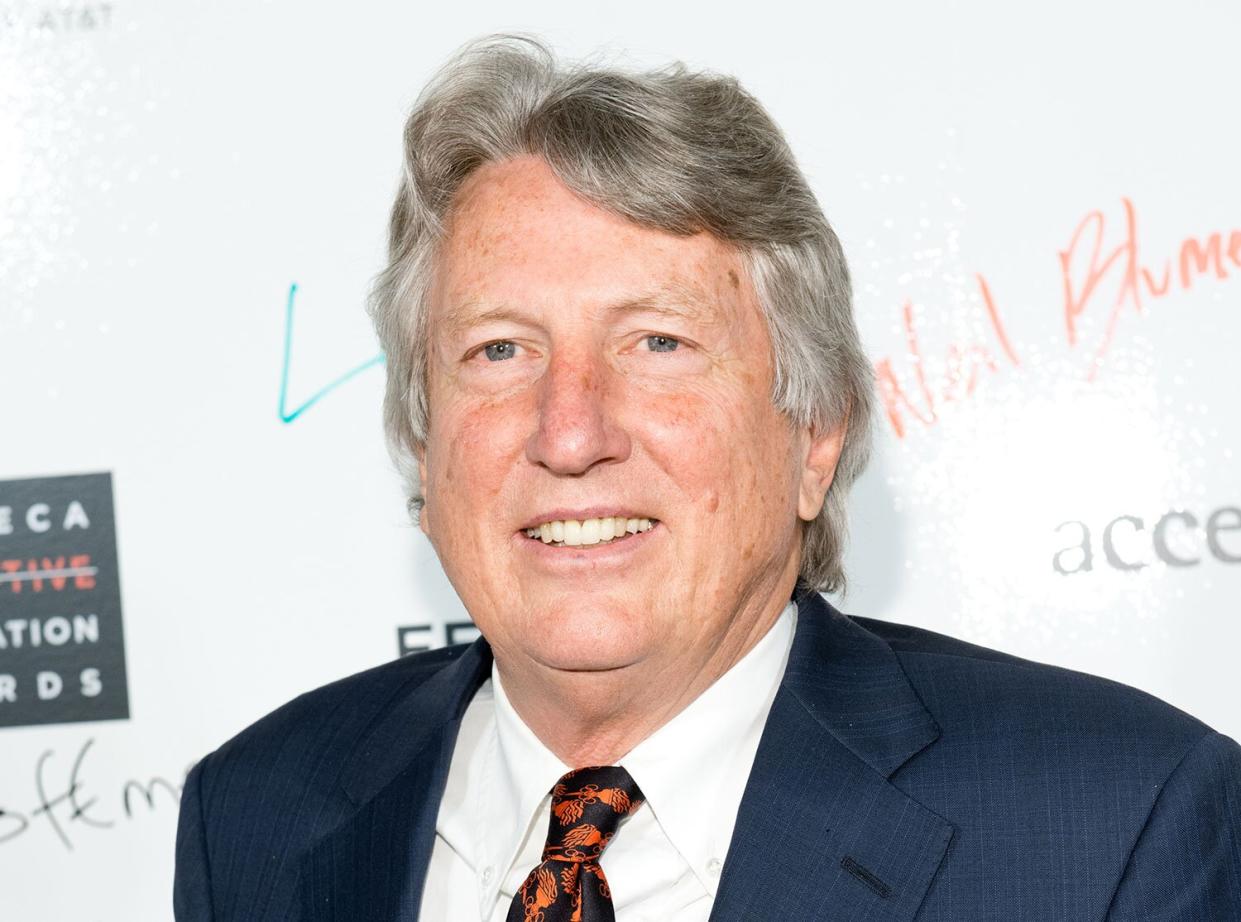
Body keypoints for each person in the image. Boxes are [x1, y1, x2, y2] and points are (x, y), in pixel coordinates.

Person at [173, 35, 1241, 921]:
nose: (569, 429)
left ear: (814, 433)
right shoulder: (256, 819)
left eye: (657, 343)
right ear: (420, 440)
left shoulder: (1111, 829)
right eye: (499, 350)